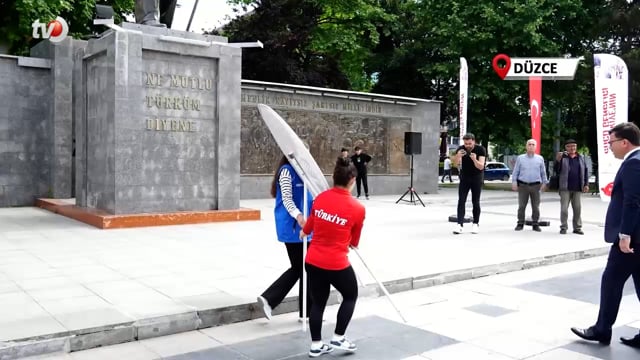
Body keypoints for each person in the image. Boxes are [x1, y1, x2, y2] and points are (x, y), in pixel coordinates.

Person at [571, 122, 640, 349]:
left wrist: (625, 234)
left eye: (611, 142)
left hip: (632, 240)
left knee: (611, 281)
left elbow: (633, 202)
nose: (609, 147)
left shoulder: (633, 164)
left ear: (624, 142)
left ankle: (602, 329)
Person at [300, 157, 366, 357]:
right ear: (352, 180)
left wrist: (304, 231)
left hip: (313, 261)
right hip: (336, 263)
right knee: (350, 295)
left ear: (333, 177)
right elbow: (354, 242)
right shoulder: (357, 208)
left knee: (318, 302)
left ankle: (316, 345)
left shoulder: (320, 198)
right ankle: (338, 337)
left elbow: (309, 227)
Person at [257, 155, 313, 322]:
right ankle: (269, 299)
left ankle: (306, 313)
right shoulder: (287, 172)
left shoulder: (304, 173)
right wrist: (299, 216)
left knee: (306, 268)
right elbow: (287, 199)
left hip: (306, 227)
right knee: (301, 267)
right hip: (293, 227)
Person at [511, 139, 548, 232]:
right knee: (521, 206)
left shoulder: (540, 158)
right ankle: (520, 223)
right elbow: (516, 171)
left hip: (536, 186)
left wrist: (545, 183)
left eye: (533, 145)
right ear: (526, 146)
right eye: (529, 144)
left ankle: (535, 223)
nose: (531, 146)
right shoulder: (520, 158)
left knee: (536, 206)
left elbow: (543, 172)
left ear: (536, 147)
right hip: (523, 185)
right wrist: (514, 182)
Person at [554, 139, 590, 235]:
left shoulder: (581, 157)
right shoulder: (563, 157)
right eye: (569, 146)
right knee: (564, 209)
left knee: (577, 209)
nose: (572, 148)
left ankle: (577, 228)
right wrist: (557, 161)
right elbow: (556, 171)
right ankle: (563, 227)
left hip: (578, 187)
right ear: (566, 148)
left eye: (573, 146)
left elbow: (586, 171)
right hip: (565, 188)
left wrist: (586, 184)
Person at [453, 133, 486, 234]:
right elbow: (454, 164)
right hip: (464, 177)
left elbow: (481, 166)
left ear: (474, 142)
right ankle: (459, 224)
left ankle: (475, 223)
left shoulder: (480, 149)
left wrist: (474, 159)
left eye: (470, 143)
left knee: (475, 201)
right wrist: (458, 156)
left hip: (476, 177)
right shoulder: (461, 148)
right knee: (461, 200)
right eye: (466, 143)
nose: (467, 145)